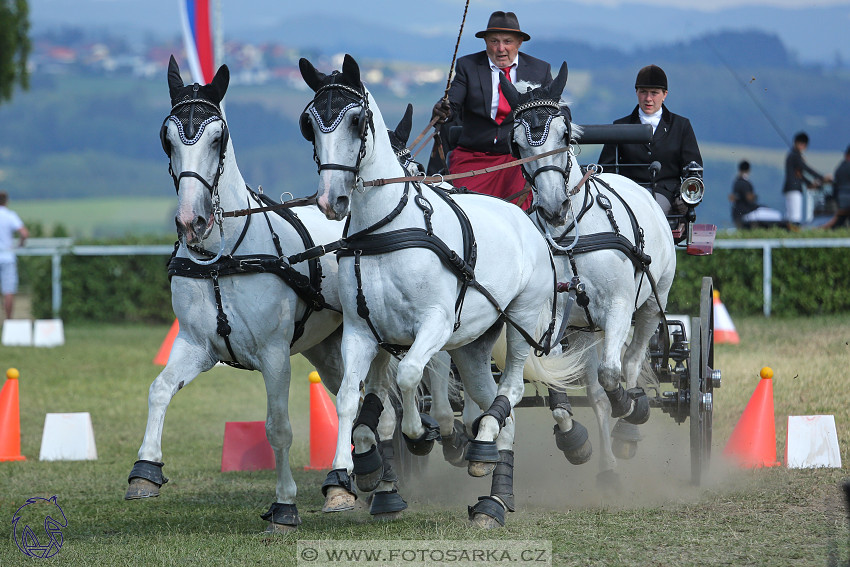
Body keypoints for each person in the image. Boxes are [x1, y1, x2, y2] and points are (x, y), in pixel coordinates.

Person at [430, 10, 552, 210]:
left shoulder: (540, 70)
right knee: (467, 210)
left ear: (519, 43)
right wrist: (443, 109)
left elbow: (556, 110)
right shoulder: (467, 66)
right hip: (473, 156)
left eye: (507, 41)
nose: (501, 48)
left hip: (518, 160)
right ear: (485, 42)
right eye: (494, 41)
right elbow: (452, 103)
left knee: (518, 213)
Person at [597, 64, 702, 218]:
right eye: (643, 92)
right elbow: (606, 168)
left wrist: (684, 198)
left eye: (654, 93)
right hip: (627, 193)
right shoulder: (620, 126)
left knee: (649, 211)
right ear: (636, 92)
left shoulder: (681, 126)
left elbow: (693, 168)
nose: (648, 99)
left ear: (665, 94)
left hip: (666, 195)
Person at [782, 132, 831, 230]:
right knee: (795, 217)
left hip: (791, 188)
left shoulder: (792, 155)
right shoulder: (795, 156)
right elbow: (805, 168)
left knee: (790, 215)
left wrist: (809, 183)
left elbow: (800, 174)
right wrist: (821, 177)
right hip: (794, 189)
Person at [0, 191, 29, 320]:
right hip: (7, 256)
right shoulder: (9, 215)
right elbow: (24, 233)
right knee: (8, 291)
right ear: (6, 201)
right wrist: (20, 245)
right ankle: (8, 322)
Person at [729, 160, 783, 229]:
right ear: (748, 170)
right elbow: (749, 198)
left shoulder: (736, 182)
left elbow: (733, 198)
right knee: (775, 215)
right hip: (746, 213)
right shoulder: (745, 183)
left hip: (737, 215)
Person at [822, 145, 850, 229]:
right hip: (847, 197)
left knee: (841, 220)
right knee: (841, 220)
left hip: (840, 198)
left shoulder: (839, 168)